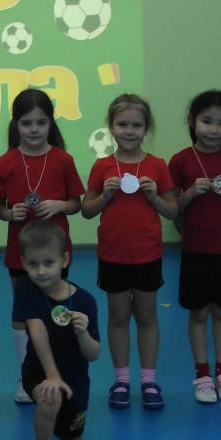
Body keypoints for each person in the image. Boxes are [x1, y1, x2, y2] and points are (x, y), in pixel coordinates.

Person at [82, 93, 177, 410]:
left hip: (148, 254)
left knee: (147, 315)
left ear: (146, 128)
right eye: (122, 124)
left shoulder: (157, 166)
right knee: (119, 316)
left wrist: (154, 196)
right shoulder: (102, 166)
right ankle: (121, 380)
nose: (129, 131)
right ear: (111, 127)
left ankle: (149, 380)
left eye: (136, 125)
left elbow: (172, 211)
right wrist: (105, 196)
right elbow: (87, 210)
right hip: (113, 255)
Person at [0, 89, 84, 404]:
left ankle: (56, 372)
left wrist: (59, 205)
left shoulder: (63, 160)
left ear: (51, 123)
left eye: (41, 122)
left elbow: (76, 204)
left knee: (56, 310)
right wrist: (9, 213)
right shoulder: (5, 162)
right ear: (15, 124)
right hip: (20, 253)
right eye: (26, 123)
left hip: (56, 252)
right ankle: (26, 376)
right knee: (23, 311)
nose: (34, 129)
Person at [169, 91, 221, 403]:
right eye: (207, 121)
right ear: (192, 121)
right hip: (196, 250)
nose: (214, 129)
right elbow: (173, 209)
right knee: (198, 312)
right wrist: (191, 193)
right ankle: (202, 375)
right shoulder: (180, 160)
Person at [14, 221, 100, 440]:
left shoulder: (85, 301)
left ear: (65, 260)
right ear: (23, 263)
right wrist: (51, 376)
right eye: (33, 264)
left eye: (48, 263)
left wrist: (83, 334)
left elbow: (94, 354)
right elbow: (37, 331)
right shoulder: (27, 288)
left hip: (76, 379)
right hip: (38, 370)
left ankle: (56, 422)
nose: (41, 271)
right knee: (50, 397)